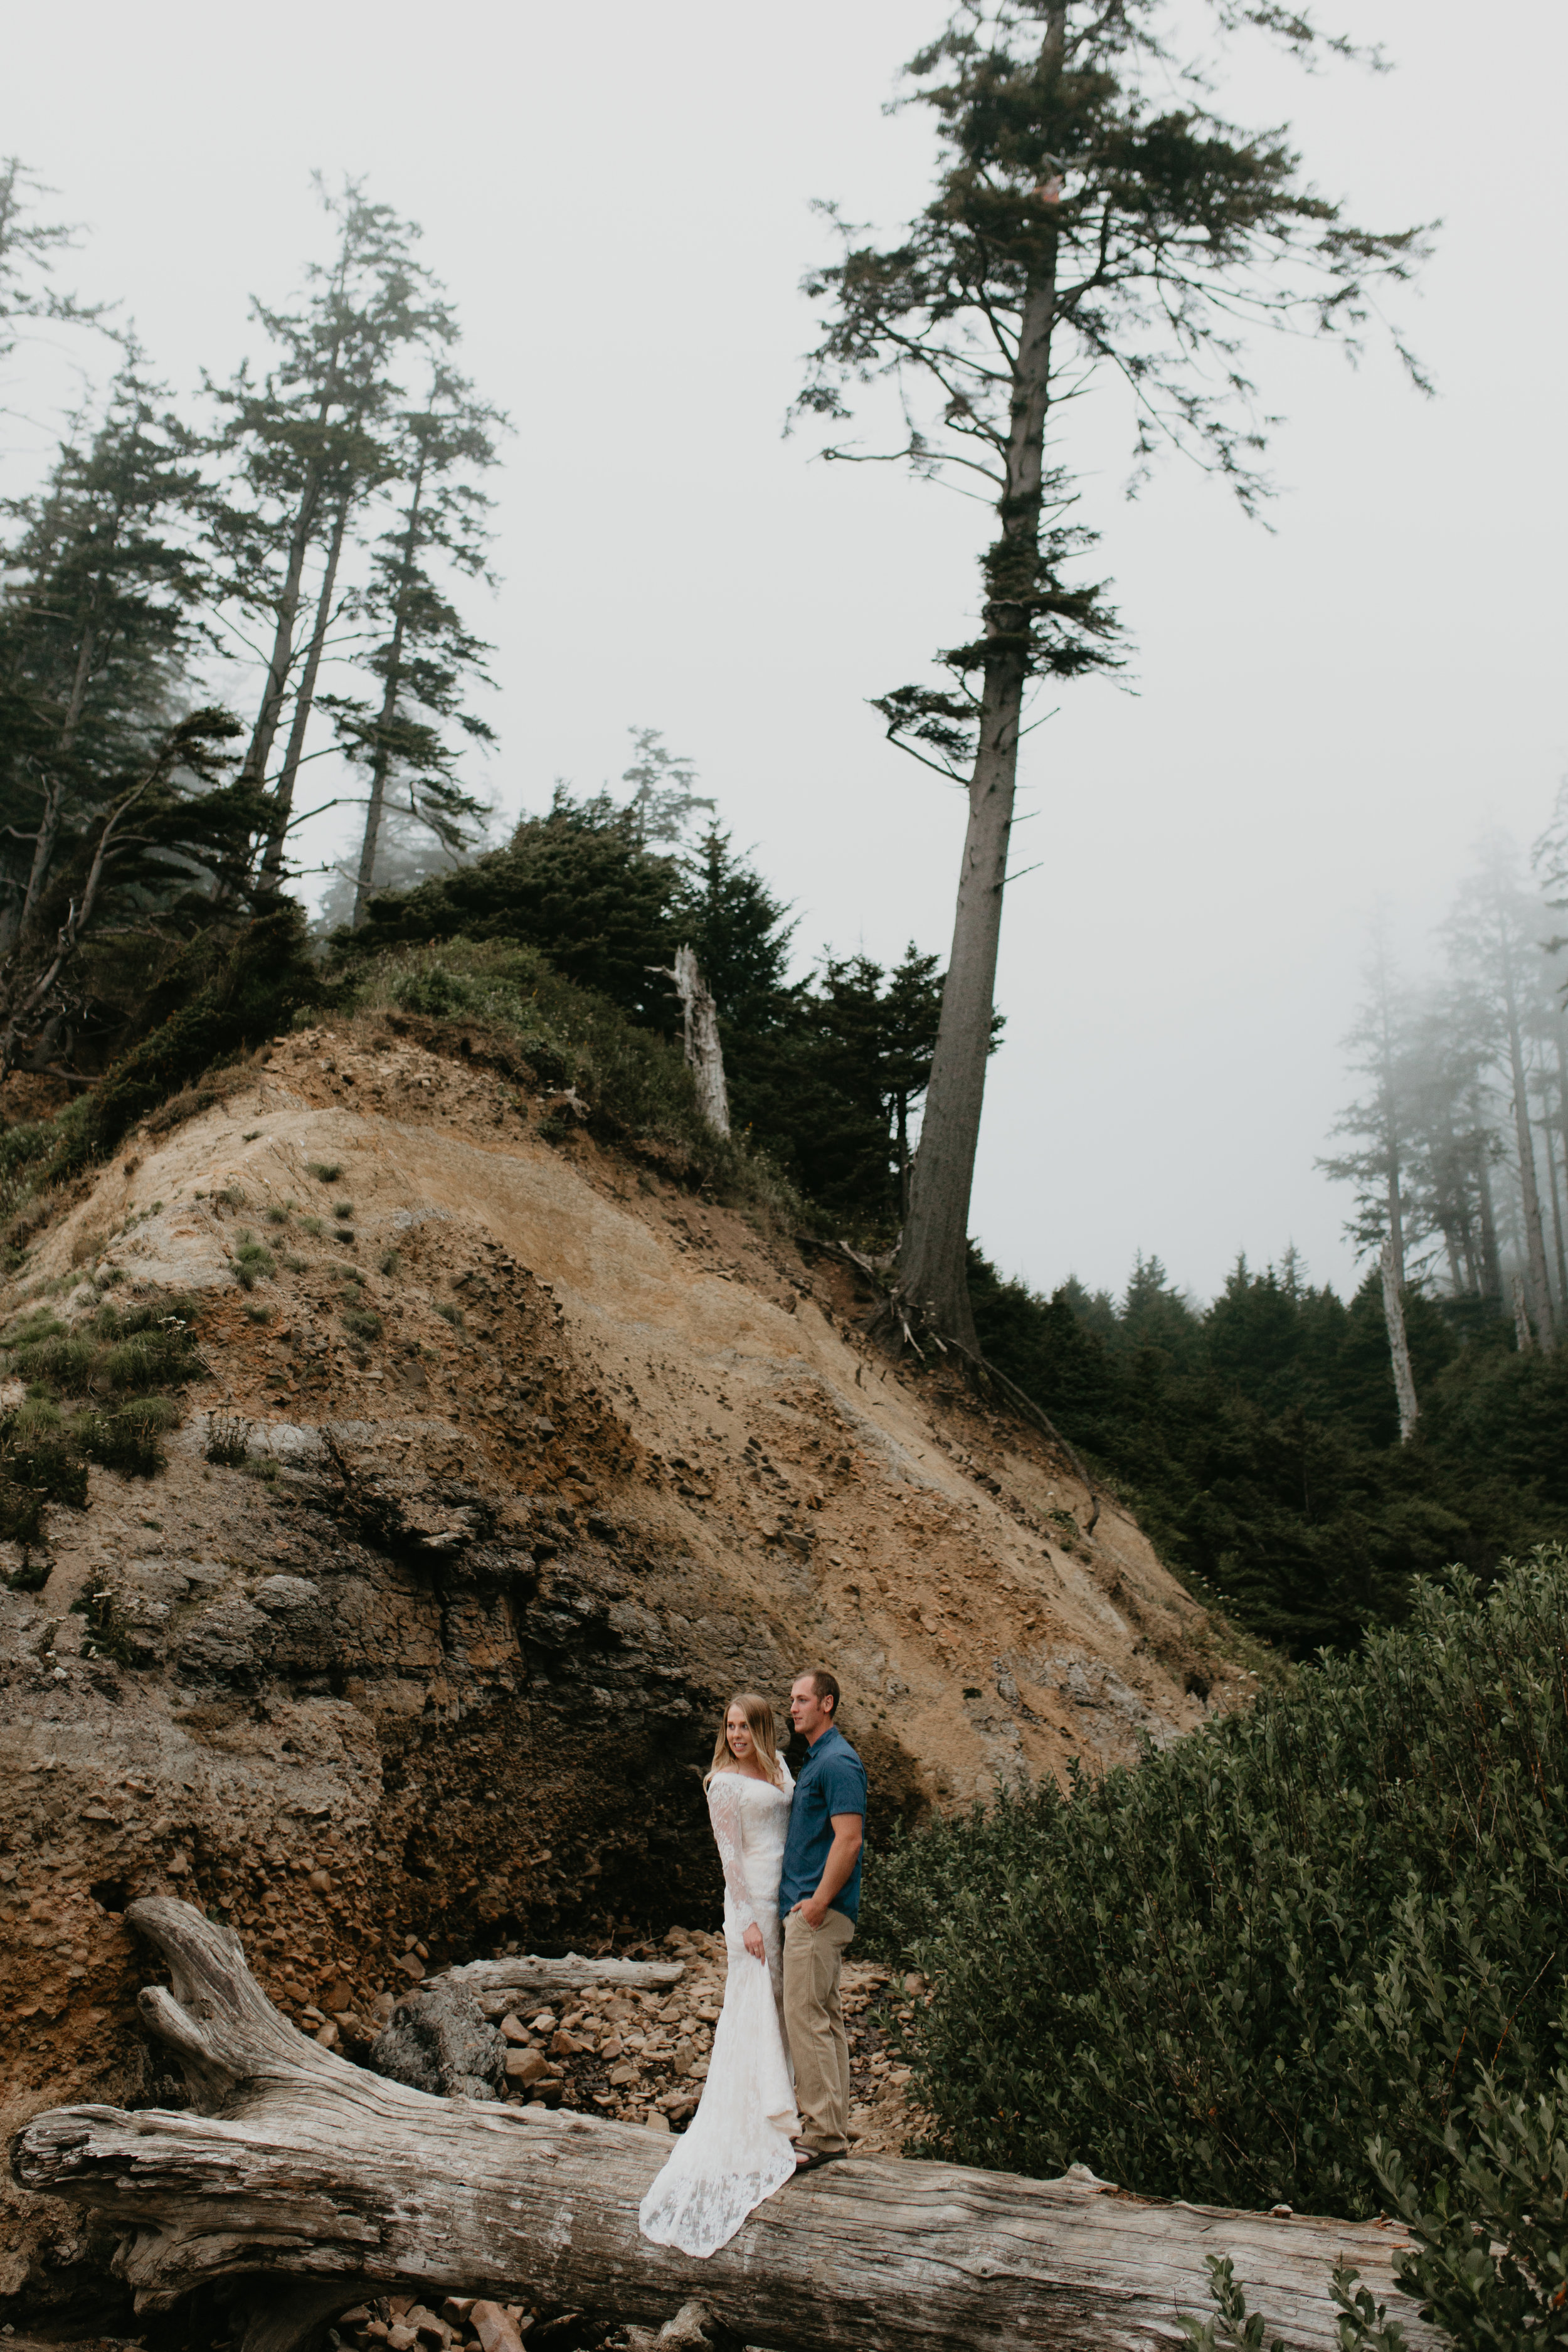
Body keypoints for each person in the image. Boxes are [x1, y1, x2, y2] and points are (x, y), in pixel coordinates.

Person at [638, 1693, 800, 2257]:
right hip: (752, 1900)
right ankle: (761, 2118)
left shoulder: (780, 1767)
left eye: (742, 1726)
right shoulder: (723, 1783)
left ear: (761, 1727)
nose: (734, 1735)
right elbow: (728, 1857)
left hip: (785, 1894)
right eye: (728, 1726)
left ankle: (785, 2103)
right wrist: (749, 1920)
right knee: (753, 2002)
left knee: (782, 2000)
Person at [780, 1668, 866, 2170]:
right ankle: (831, 2127)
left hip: (818, 1914)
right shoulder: (818, 1759)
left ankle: (821, 2135)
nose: (793, 1708)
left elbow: (849, 1840)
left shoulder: (838, 1762)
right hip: (816, 1913)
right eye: (792, 1700)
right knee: (825, 2020)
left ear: (827, 1704)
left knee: (805, 2020)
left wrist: (815, 1904)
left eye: (802, 1700)